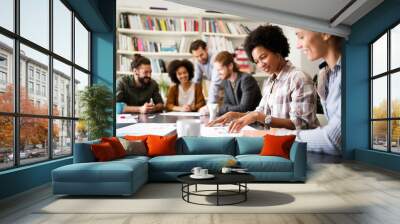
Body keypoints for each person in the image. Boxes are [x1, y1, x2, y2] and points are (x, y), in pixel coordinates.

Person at [208, 25, 319, 133]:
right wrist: (235, 115)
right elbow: (260, 113)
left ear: (277, 50)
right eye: (256, 61)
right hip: (274, 142)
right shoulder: (270, 81)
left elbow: (301, 125)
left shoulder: (298, 78)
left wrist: (258, 117)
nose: (260, 65)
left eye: (263, 57)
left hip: (296, 147)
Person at [273, 29, 342, 155]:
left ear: (325, 33)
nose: (298, 45)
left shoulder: (349, 73)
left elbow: (335, 139)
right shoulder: (327, 75)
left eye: (301, 37)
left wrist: (277, 136)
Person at [213, 51, 262, 116]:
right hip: (239, 121)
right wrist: (224, 108)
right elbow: (224, 105)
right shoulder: (226, 82)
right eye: (217, 70)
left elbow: (244, 108)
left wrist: (224, 108)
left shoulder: (246, 80)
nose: (218, 73)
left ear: (230, 66)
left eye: (220, 69)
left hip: (254, 123)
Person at [189, 40, 222, 113]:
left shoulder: (216, 57)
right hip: (217, 90)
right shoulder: (198, 61)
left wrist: (209, 106)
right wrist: (192, 102)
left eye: (201, 55)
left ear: (206, 49)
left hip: (226, 88)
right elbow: (197, 81)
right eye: (196, 56)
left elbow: (215, 83)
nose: (200, 58)